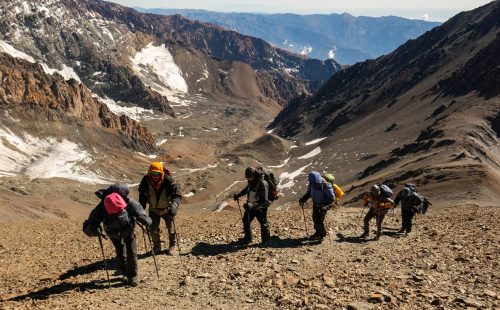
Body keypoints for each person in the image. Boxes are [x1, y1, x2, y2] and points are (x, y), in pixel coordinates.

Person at [83, 184, 152, 287]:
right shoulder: (101, 207)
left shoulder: (128, 201)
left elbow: (139, 211)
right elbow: (89, 225)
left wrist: (144, 218)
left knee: (130, 252)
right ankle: (125, 272)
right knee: (122, 251)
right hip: (114, 232)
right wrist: (93, 229)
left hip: (126, 229)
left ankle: (132, 276)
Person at [138, 162, 182, 256]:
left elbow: (177, 194)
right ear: (149, 173)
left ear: (161, 173)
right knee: (153, 229)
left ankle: (173, 245)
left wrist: (174, 205)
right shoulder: (146, 181)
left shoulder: (168, 180)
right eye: (153, 174)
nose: (155, 176)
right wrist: (141, 210)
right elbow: (142, 196)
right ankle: (157, 246)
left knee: (171, 228)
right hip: (153, 209)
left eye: (157, 174)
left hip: (167, 209)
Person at [233, 167, 271, 245]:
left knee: (263, 223)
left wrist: (253, 205)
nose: (248, 179)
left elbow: (265, 201)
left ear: (254, 175)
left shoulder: (263, 183)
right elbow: (246, 190)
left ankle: (266, 241)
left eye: (249, 177)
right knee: (246, 219)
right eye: (247, 178)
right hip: (251, 206)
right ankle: (248, 239)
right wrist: (238, 195)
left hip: (260, 207)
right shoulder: (252, 181)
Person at [298, 171, 336, 241]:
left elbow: (332, 200)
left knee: (319, 220)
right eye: (311, 182)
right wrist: (303, 199)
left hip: (323, 205)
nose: (312, 184)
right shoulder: (312, 184)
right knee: (315, 218)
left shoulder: (325, 185)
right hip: (316, 204)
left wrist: (325, 207)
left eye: (313, 182)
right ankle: (318, 232)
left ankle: (322, 235)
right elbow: (309, 193)